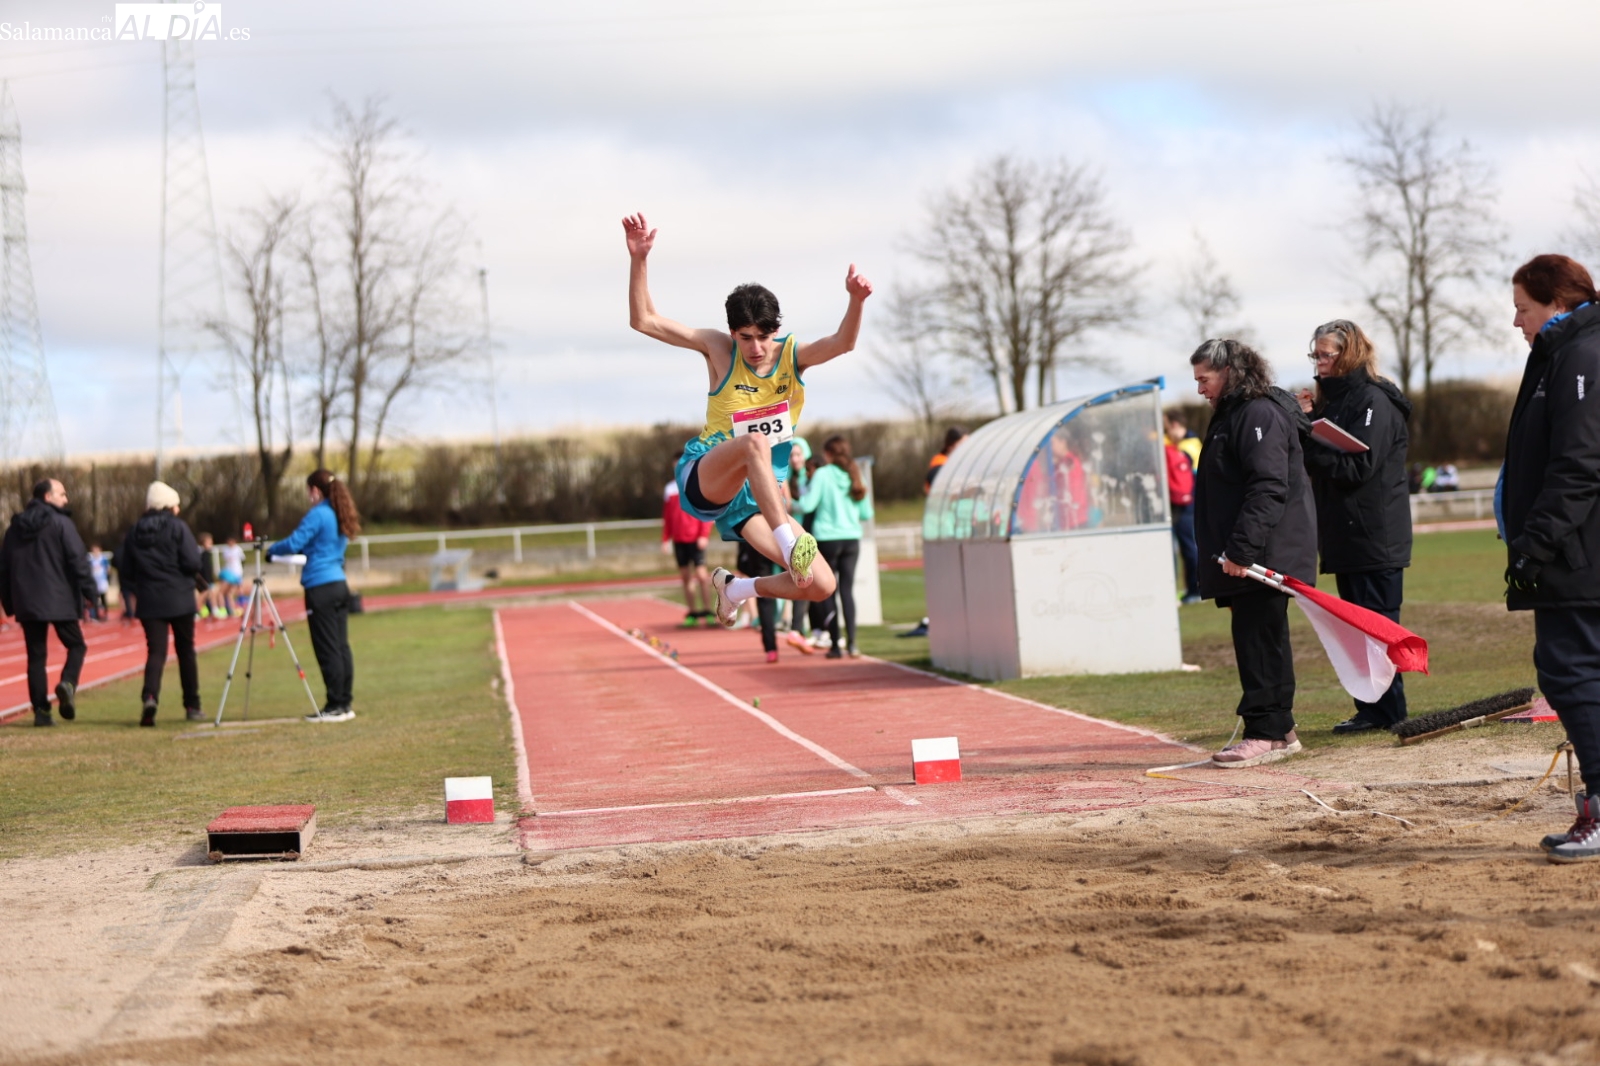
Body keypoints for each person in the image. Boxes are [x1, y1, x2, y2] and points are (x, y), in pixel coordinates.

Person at [623, 213, 870, 626]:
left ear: (776, 330)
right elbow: (643, 320)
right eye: (745, 337)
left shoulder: (792, 356)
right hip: (708, 476)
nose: (756, 348)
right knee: (753, 443)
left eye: (764, 335)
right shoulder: (717, 350)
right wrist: (639, 259)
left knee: (820, 585)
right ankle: (790, 544)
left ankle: (736, 588)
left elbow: (843, 343)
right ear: (731, 333)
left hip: (757, 501)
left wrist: (856, 301)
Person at [1501, 254, 1600, 862]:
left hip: (1577, 555)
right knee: (1571, 672)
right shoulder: (1560, 354)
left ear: (1557, 304)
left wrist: (1534, 545)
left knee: (1572, 672)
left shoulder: (1582, 356)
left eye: (1522, 308)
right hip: (1573, 552)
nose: (1516, 321)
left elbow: (1579, 466)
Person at [1190, 338, 1317, 767]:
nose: (1200, 389)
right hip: (1252, 553)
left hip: (1264, 553)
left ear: (1228, 372)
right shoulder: (1236, 414)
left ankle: (1266, 733)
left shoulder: (1257, 413)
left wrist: (1241, 550)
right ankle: (1280, 729)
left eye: (1204, 379)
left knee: (1260, 640)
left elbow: (1268, 486)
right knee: (1258, 638)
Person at [1296, 319, 1413, 733]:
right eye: (1316, 354)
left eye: (1325, 354)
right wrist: (1311, 418)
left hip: (1374, 535)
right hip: (1348, 534)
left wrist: (1309, 439)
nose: (1319, 362)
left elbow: (1359, 467)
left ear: (1348, 353)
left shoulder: (1374, 401)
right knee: (1357, 628)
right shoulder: (1340, 401)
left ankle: (1388, 713)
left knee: (1377, 625)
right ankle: (1371, 710)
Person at [267, 469, 361, 723]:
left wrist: (271, 549)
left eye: (308, 491)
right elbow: (319, 544)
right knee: (341, 646)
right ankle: (344, 702)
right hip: (339, 583)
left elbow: (294, 543)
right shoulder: (338, 513)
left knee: (327, 648)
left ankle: (335, 705)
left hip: (320, 587)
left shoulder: (318, 513)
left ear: (315, 490)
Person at [0, 478, 95, 727]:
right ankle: (67, 683)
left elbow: (4, 569)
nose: (66, 499)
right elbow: (78, 560)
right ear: (47, 497)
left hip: (27, 601)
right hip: (59, 597)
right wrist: (90, 592)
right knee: (76, 645)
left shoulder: (13, 529)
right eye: (62, 494)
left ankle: (41, 712)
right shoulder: (61, 523)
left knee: (36, 657)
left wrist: (9, 602)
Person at [118, 481, 205, 726]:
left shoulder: (135, 531)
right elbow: (192, 562)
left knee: (156, 652)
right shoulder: (178, 527)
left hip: (149, 599)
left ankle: (150, 696)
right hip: (179, 597)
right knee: (186, 651)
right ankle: (192, 704)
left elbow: (126, 567)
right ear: (169, 505)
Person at [799, 435, 874, 658]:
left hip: (827, 538)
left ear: (828, 454)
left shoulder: (822, 474)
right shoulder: (855, 473)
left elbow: (808, 504)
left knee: (828, 591)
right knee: (847, 591)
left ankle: (834, 645)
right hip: (851, 538)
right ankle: (852, 643)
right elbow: (866, 513)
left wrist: (787, 501)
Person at [661, 452, 714, 627]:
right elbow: (668, 516)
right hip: (679, 539)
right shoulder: (669, 489)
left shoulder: (696, 483)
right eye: (674, 465)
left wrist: (703, 535)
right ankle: (692, 611)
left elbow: (706, 512)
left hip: (695, 539)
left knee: (701, 575)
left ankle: (708, 610)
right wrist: (665, 538)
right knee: (685, 576)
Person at [1164, 415, 1201, 605]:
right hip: (1187, 500)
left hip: (1184, 502)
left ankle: (1194, 590)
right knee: (1188, 546)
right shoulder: (1190, 443)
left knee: (1187, 547)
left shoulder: (1184, 447)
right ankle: (1192, 589)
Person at [736, 540, 781, 662]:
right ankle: (795, 629)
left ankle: (772, 648)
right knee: (766, 595)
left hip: (759, 545)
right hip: (773, 544)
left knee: (765, 596)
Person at [924, 426, 968, 495]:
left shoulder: (961, 463)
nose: (967, 447)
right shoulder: (939, 463)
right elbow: (939, 484)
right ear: (951, 446)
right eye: (962, 444)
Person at [219, 536, 245, 615]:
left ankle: (240, 606)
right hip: (229, 574)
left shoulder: (238, 549)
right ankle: (231, 608)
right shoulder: (226, 549)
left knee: (238, 590)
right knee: (228, 592)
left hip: (237, 573)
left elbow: (243, 559)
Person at [87, 543, 111, 622]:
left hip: (102, 581)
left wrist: (107, 578)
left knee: (103, 598)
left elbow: (108, 569)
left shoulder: (103, 559)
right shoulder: (91, 560)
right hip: (94, 582)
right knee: (95, 599)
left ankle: (105, 613)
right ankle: (96, 614)